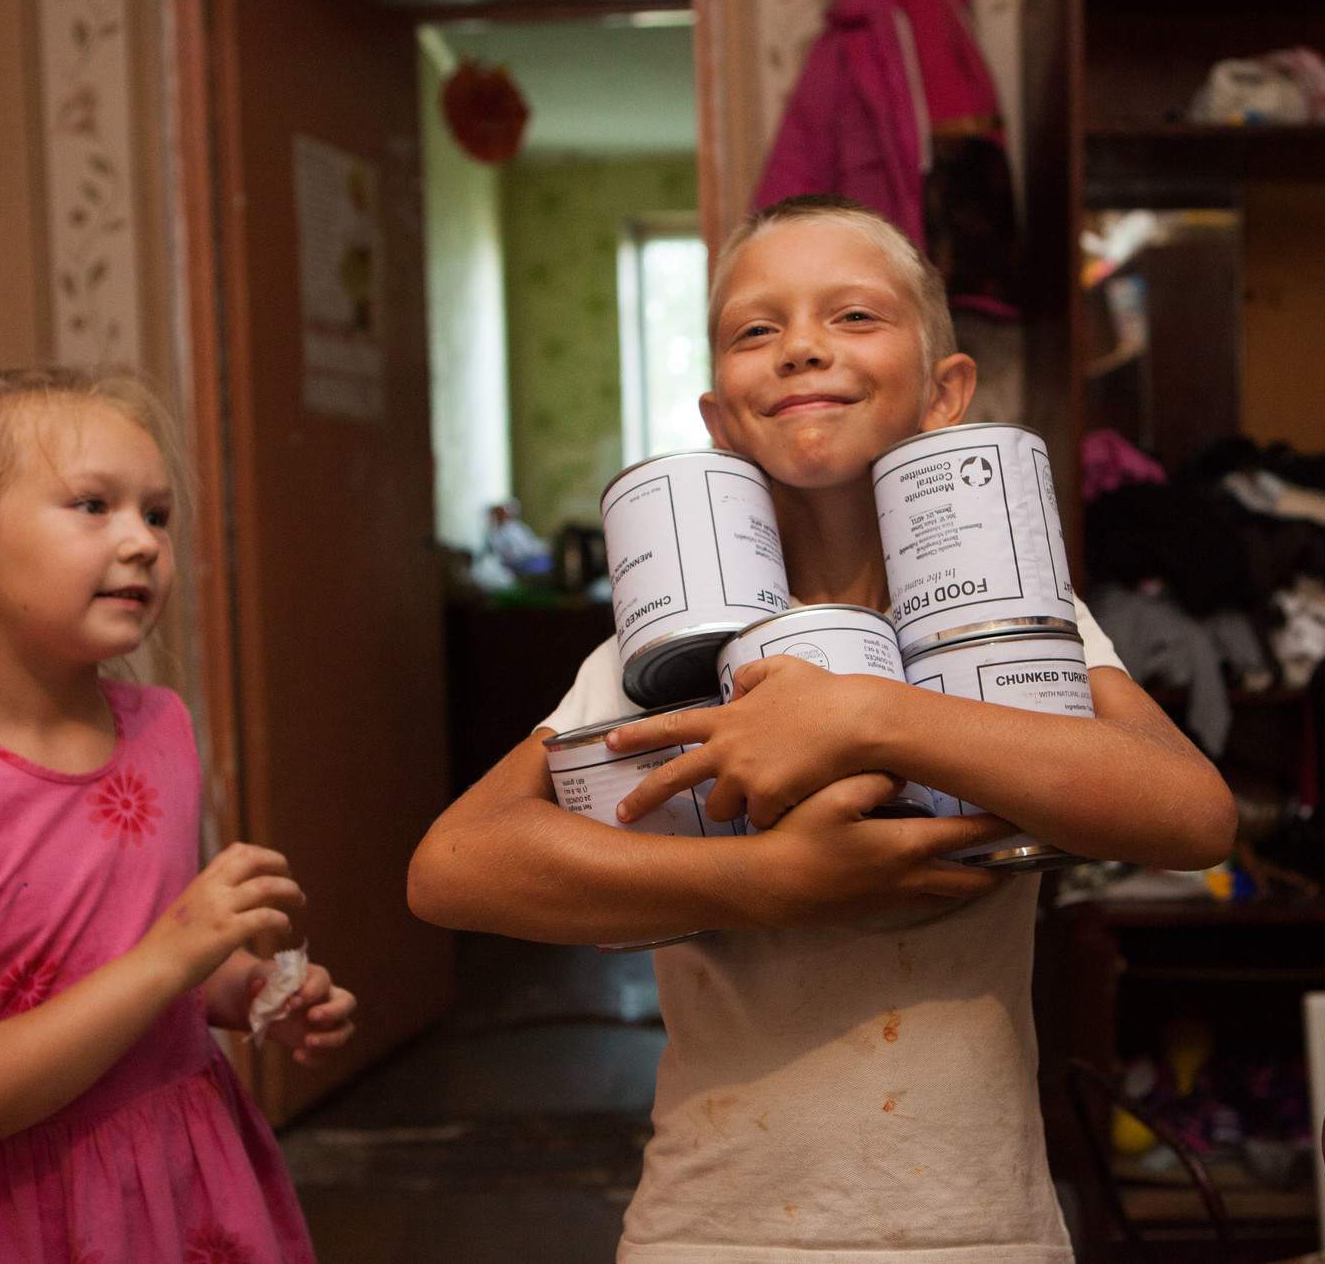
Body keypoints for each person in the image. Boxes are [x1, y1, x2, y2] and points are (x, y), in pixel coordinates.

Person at [409, 195, 1236, 1261]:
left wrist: (868, 714)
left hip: (974, 1226)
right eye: (757, 329)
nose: (801, 346)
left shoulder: (1015, 614)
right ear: (718, 420)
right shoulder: (661, 651)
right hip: (714, 1225)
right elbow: (453, 866)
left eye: (852, 317)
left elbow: (1191, 816)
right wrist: (766, 885)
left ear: (945, 394)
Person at [0, 365, 354, 1263]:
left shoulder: (163, 728)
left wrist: (249, 987)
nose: (142, 541)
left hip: (181, 1176)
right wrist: (169, 957)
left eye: (155, 513)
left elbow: (159, 962)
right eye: (92, 506)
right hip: (9, 1211)